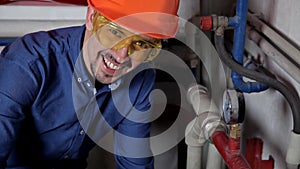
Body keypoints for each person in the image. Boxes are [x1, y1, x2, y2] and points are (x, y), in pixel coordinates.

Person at [0, 0, 179, 168]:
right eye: (115, 32)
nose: (121, 55)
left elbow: (134, 162)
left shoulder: (140, 80)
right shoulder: (29, 61)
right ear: (91, 17)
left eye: (140, 43)